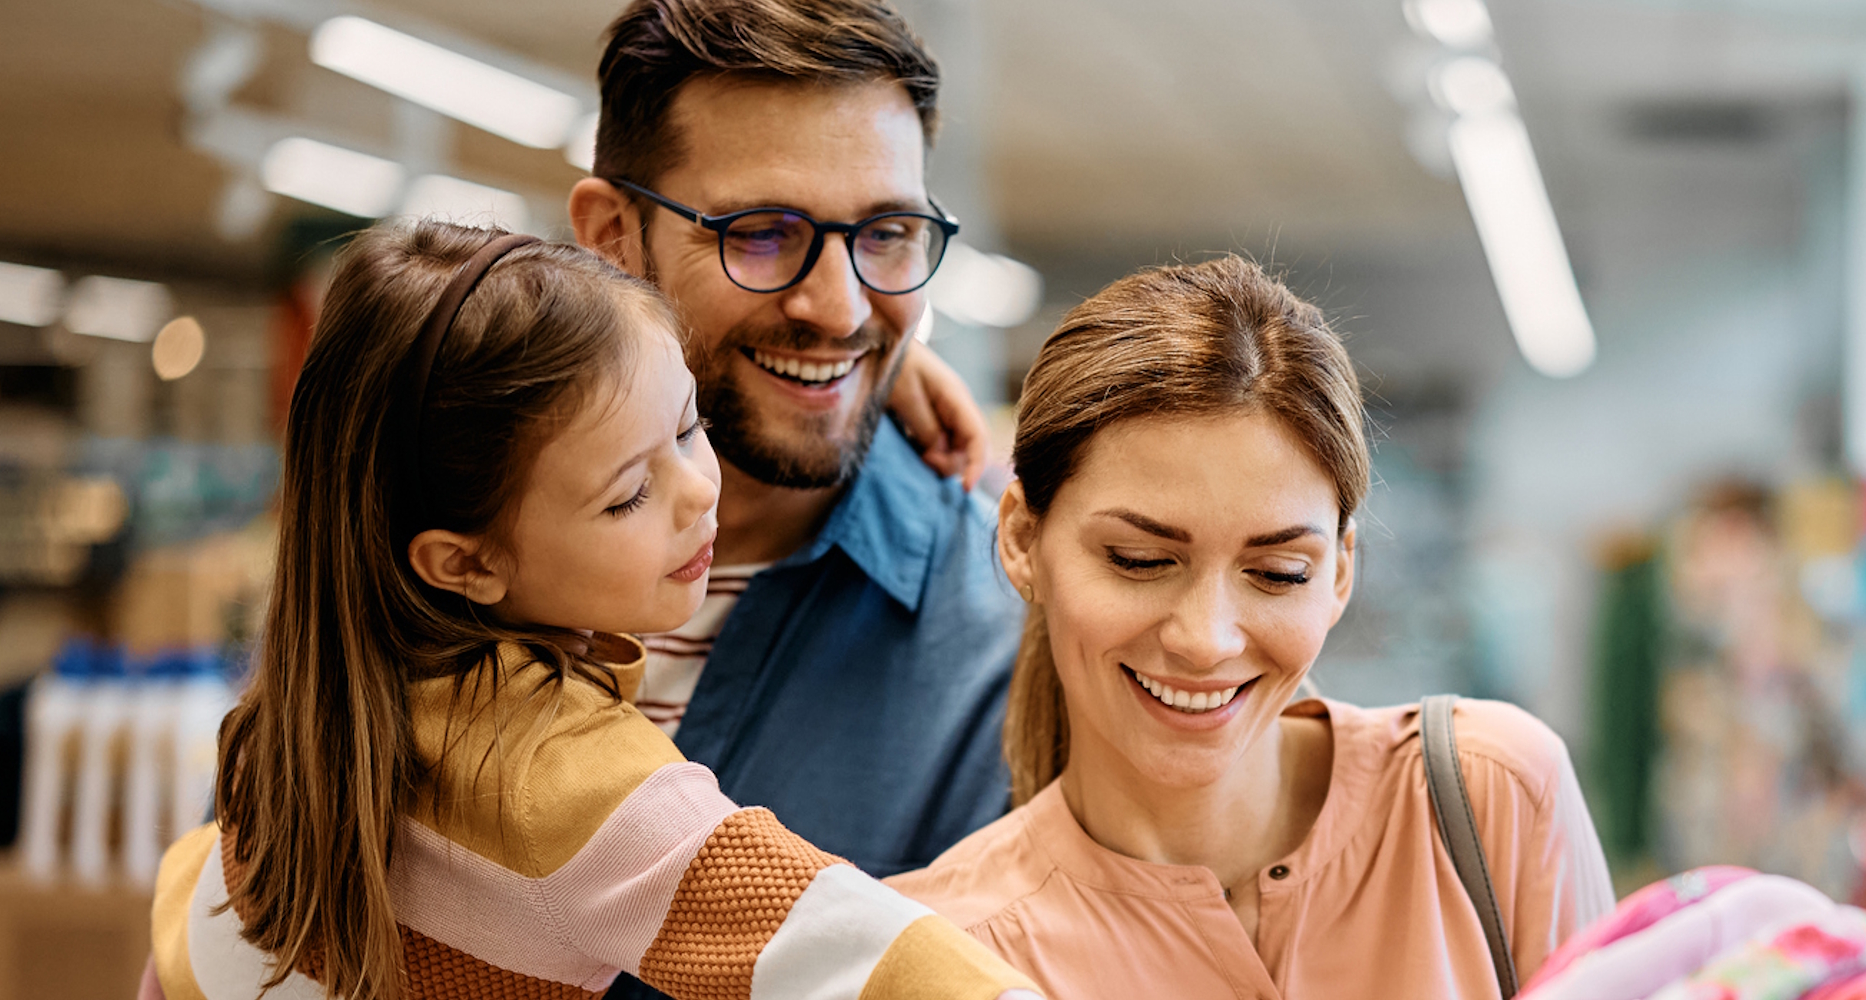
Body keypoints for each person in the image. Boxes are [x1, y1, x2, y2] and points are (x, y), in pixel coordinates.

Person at [144, 221, 1036, 1000]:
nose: (697, 495)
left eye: (689, 427)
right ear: (465, 561)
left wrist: (875, 372)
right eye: (626, 496)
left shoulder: (298, 721)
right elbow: (855, 953)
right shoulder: (558, 780)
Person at [885, 256, 1616, 998]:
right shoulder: (941, 954)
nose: (1206, 640)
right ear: (1019, 539)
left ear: (1338, 572)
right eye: (1139, 560)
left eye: (1277, 574)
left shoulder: (1492, 798)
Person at [562, 0, 1020, 888]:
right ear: (612, 236)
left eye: (886, 235)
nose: (841, 310)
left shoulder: (1009, 647)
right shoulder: (441, 550)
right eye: (762, 234)